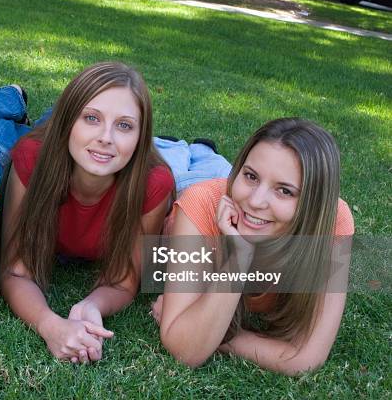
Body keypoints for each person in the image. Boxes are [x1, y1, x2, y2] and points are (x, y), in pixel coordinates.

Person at [0, 62, 175, 364]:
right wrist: (49, 324)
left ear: (140, 136)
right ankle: (9, 97)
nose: (106, 136)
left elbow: (125, 280)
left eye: (124, 125)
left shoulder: (154, 184)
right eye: (91, 118)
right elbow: (15, 270)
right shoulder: (31, 158)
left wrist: (93, 305)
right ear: (68, 120)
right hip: (42, 140)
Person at [151, 118, 354, 375]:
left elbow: (306, 359)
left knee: (211, 162)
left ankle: (204, 151)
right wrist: (240, 256)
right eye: (250, 175)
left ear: (313, 205)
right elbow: (185, 351)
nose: (257, 201)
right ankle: (179, 147)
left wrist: (222, 335)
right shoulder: (200, 204)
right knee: (172, 166)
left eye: (284, 191)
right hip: (188, 189)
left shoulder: (333, 221)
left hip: (222, 185)